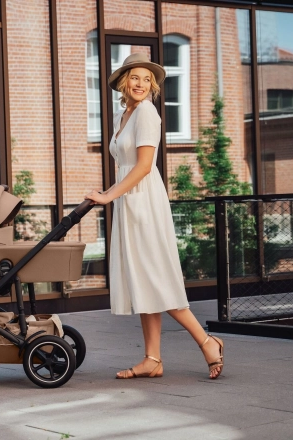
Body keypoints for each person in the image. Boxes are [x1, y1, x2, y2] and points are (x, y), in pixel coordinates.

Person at [84, 53, 224, 380]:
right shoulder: (126, 115)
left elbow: (145, 167)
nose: (142, 84)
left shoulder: (147, 113)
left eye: (148, 80)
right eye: (136, 77)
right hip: (129, 201)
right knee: (143, 281)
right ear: (123, 81)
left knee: (155, 277)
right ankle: (152, 359)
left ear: (154, 86)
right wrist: (107, 194)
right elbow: (126, 165)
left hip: (144, 201)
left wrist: (107, 196)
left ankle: (207, 342)